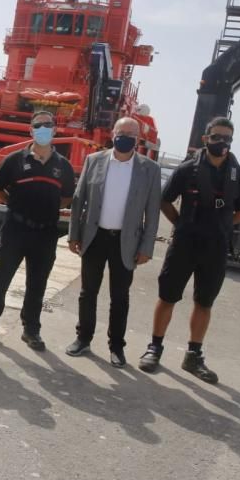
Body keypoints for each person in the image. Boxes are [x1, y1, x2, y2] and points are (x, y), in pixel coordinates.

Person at [138, 116, 240, 383]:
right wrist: (181, 223)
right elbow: (165, 201)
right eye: (216, 137)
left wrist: (220, 226)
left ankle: (193, 355)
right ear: (205, 139)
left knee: (204, 301)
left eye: (226, 138)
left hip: (215, 248)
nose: (221, 143)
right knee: (167, 296)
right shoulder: (187, 170)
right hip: (184, 244)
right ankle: (154, 348)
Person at [66, 117, 162, 367]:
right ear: (112, 134)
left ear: (138, 139)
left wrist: (146, 247)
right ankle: (83, 338)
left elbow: (152, 212)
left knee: (120, 296)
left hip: (126, 241)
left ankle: (116, 346)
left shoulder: (150, 170)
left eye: (131, 133)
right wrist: (73, 234)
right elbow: (79, 200)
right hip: (94, 237)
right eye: (122, 132)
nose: (126, 137)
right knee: (88, 292)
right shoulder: (94, 161)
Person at [0, 110, 76, 349]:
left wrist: (48, 208)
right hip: (15, 230)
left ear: (54, 130)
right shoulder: (13, 160)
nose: (43, 128)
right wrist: (12, 203)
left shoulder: (63, 166)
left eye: (48, 125)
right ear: (31, 131)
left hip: (45, 234)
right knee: (0, 279)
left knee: (37, 284)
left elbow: (67, 197)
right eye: (38, 125)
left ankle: (31, 329)